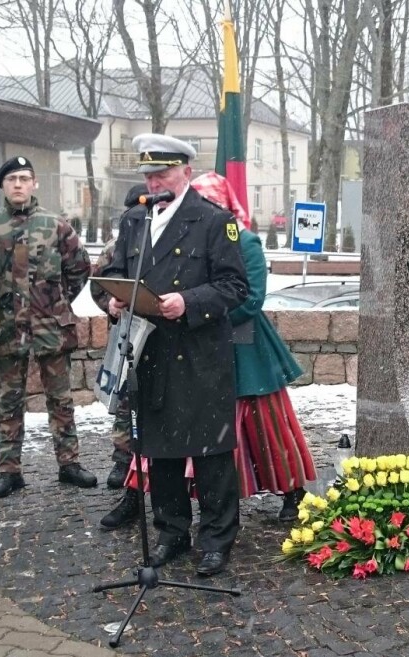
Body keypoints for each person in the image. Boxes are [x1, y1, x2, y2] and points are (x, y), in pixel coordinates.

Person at [98, 173, 315, 532]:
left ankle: (288, 490)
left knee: (259, 432)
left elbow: (248, 297)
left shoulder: (243, 240)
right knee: (164, 432)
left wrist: (198, 314)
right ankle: (138, 496)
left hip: (240, 349)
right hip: (178, 345)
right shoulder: (161, 229)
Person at [97, 134, 249, 576]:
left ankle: (217, 538)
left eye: (162, 173)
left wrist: (190, 301)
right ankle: (171, 532)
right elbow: (109, 274)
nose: (154, 181)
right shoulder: (134, 221)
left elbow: (235, 287)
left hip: (199, 354)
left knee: (210, 454)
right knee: (160, 452)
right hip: (151, 354)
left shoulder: (214, 221)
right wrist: (111, 300)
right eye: (147, 174)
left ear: (186, 171)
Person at [0, 156, 97, 498]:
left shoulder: (56, 225)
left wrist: (54, 301)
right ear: (2, 185)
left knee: (61, 399)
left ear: (35, 184)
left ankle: (69, 464)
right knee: (9, 402)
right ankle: (9, 470)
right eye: (11, 179)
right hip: (7, 328)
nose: (18, 184)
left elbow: (79, 270)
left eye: (24, 178)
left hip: (51, 327)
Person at [95, 184, 149, 490]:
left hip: (155, 331)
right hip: (126, 334)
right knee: (124, 398)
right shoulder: (114, 247)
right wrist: (112, 306)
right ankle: (121, 460)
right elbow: (98, 286)